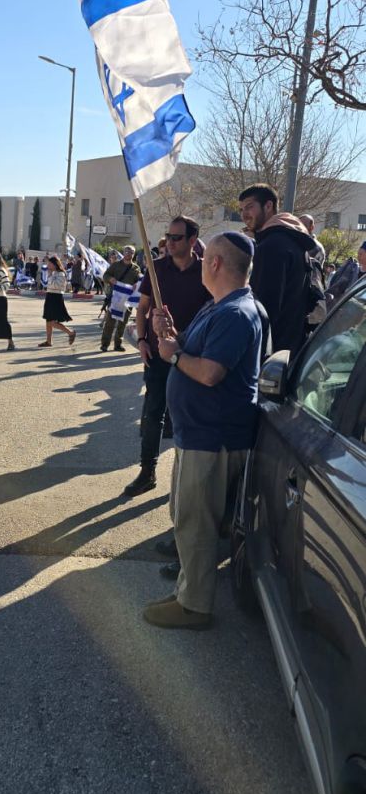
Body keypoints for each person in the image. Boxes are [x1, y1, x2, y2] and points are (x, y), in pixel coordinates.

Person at [143, 232, 262, 630]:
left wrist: (174, 354)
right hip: (201, 434)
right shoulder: (223, 307)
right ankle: (188, 590)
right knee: (188, 515)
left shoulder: (235, 313)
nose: (196, 257)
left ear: (214, 264)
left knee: (196, 522)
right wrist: (169, 333)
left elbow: (210, 373)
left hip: (213, 438)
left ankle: (194, 605)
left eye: (202, 254)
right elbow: (194, 352)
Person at [125, 216, 211, 498]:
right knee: (153, 414)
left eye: (177, 238)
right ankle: (147, 472)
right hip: (158, 353)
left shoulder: (207, 271)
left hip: (191, 356)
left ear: (192, 241)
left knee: (187, 419)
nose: (170, 242)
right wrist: (141, 340)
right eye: (168, 236)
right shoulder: (156, 267)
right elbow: (143, 308)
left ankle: (184, 479)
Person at [239, 184, 318, 356]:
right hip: (290, 347)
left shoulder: (272, 246)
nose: (244, 215)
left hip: (271, 353)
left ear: (268, 206)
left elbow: (263, 309)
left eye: (250, 207)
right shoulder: (292, 241)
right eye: (241, 209)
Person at [100, 245, 141, 352]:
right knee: (110, 321)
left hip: (127, 299)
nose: (128, 254)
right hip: (116, 297)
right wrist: (111, 279)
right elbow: (105, 276)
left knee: (123, 323)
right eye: (127, 251)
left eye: (131, 252)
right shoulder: (116, 265)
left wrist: (137, 285)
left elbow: (139, 282)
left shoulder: (136, 268)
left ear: (133, 254)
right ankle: (105, 344)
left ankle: (118, 344)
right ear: (123, 252)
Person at [39, 256, 76, 347]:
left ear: (55, 264)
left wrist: (51, 276)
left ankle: (70, 333)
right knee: (48, 320)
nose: (48, 265)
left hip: (56, 298)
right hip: (50, 296)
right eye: (48, 263)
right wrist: (50, 275)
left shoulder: (61, 274)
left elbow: (56, 285)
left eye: (50, 263)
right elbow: (49, 285)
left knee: (52, 322)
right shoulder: (52, 273)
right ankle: (48, 341)